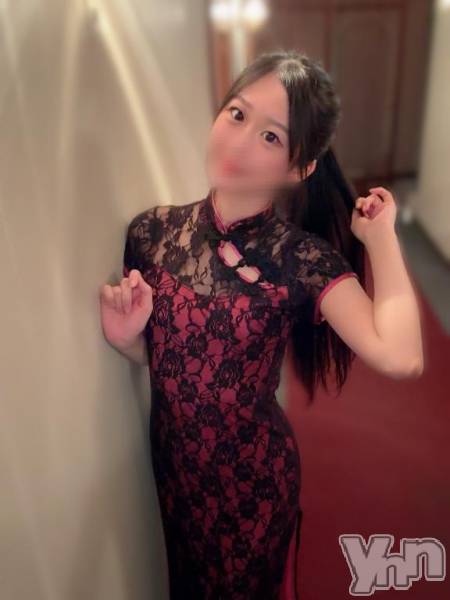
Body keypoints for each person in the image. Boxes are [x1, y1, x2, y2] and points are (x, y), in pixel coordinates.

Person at [99, 50, 424, 599]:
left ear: (300, 168)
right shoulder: (151, 233)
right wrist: (129, 340)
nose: (240, 142)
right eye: (237, 114)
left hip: (254, 487)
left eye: (271, 137)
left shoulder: (302, 259)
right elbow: (177, 364)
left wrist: (381, 239)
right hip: (176, 480)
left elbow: (401, 355)